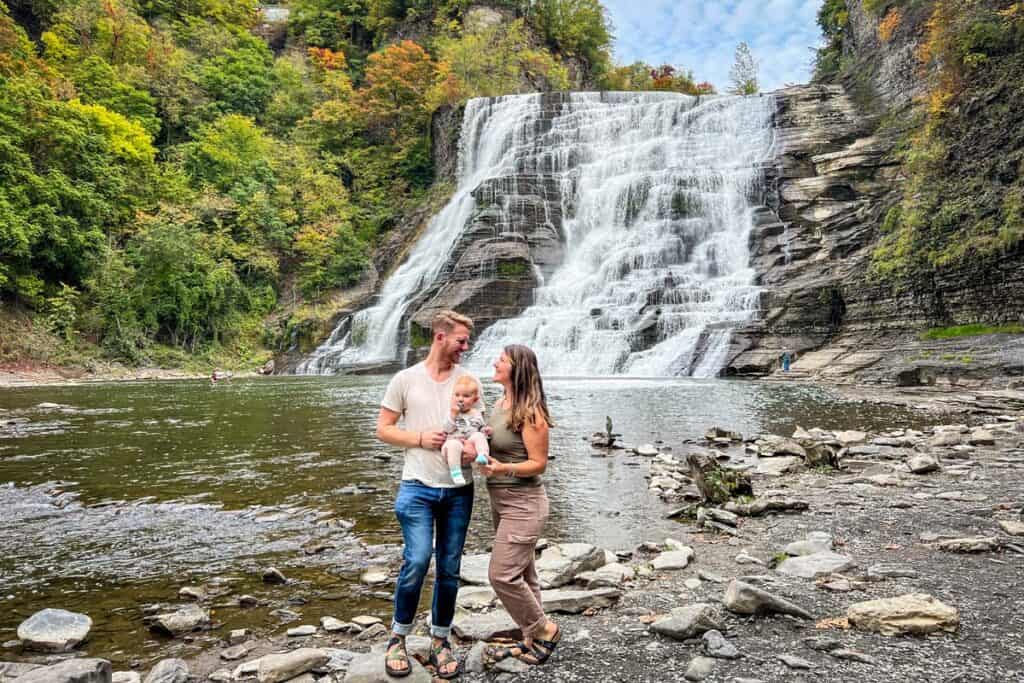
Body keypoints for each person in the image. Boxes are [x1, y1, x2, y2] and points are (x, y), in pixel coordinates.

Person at [376, 310, 482, 679]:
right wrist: (420, 438)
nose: (466, 347)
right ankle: (397, 637)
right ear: (440, 337)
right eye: (461, 341)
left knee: (450, 570)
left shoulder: (468, 382)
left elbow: (477, 427)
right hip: (416, 487)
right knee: (417, 561)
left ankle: (441, 639)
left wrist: (472, 448)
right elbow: (384, 429)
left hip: (459, 490)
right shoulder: (405, 380)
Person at [481, 344, 561, 666]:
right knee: (524, 574)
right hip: (500, 500)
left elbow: (538, 463)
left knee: (502, 575)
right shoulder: (499, 403)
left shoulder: (532, 413)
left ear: (517, 369)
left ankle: (545, 630)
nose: (495, 363)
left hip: (524, 504)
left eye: (501, 360)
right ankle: (531, 641)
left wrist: (502, 468)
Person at [442, 375, 492, 485]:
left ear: (475, 399)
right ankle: (456, 473)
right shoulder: (451, 413)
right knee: (453, 445)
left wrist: (485, 430)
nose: (460, 399)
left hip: (469, 441)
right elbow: (447, 429)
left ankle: (482, 456)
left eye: (466, 396)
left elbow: (480, 427)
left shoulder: (476, 413)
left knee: (479, 436)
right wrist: (453, 415)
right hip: (453, 440)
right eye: (457, 395)